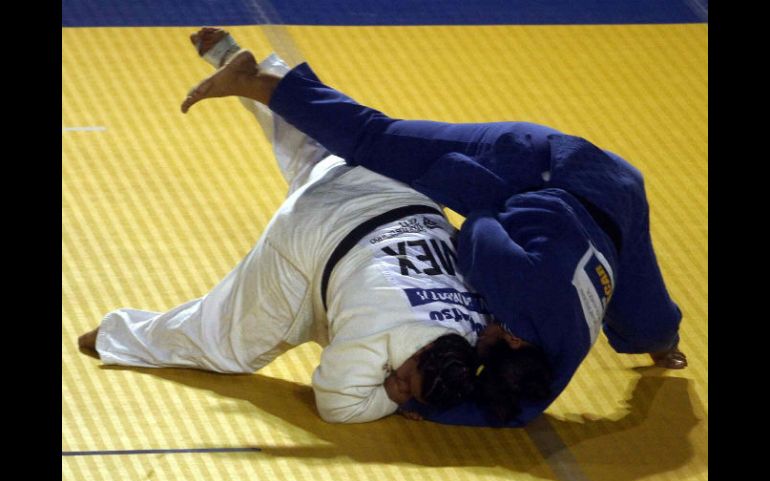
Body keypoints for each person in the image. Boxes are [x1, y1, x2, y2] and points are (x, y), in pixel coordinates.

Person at [179, 32, 688, 427]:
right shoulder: (509, 280)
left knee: (649, 325)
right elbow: (477, 223)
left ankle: (663, 344)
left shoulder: (555, 357)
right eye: (486, 336)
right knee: (377, 141)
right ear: (510, 339)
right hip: (541, 164)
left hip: (618, 201)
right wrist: (443, 176)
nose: (478, 330)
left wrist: (428, 407)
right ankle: (255, 79)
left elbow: (517, 413)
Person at [77, 34, 495, 425]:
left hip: (399, 190)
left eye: (405, 392)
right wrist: (391, 397)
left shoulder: (478, 326)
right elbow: (338, 406)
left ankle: (238, 64)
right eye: (407, 381)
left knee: (318, 143)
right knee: (227, 345)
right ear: (423, 354)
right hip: (317, 234)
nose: (399, 388)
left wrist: (411, 388)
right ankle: (117, 336)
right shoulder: (378, 338)